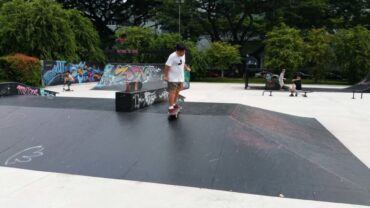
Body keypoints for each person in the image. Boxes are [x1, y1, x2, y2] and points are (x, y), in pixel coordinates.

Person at [164, 44, 191, 114]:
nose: (183, 53)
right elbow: (167, 66)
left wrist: (186, 67)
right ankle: (170, 108)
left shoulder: (183, 54)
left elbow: (182, 63)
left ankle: (174, 104)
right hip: (172, 77)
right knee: (172, 92)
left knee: (178, 90)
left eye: (184, 52)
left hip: (180, 77)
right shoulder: (172, 56)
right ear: (178, 51)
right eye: (182, 52)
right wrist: (166, 76)